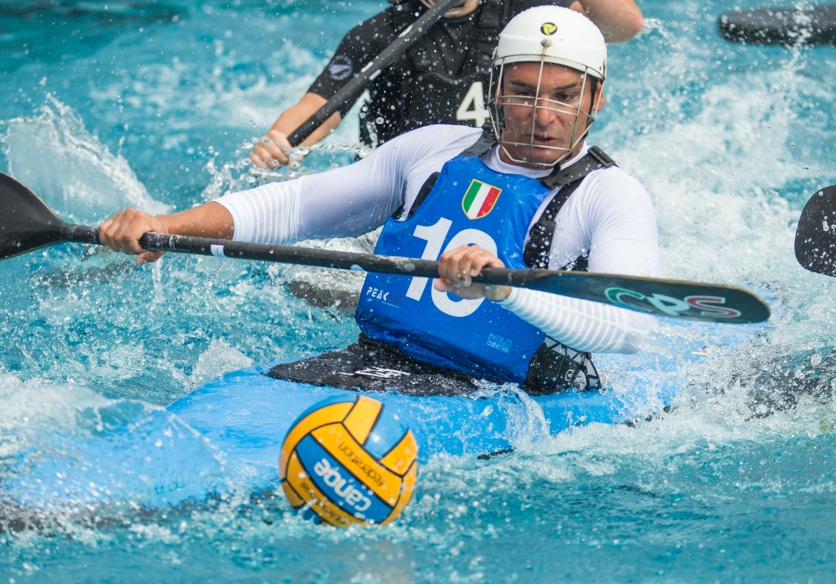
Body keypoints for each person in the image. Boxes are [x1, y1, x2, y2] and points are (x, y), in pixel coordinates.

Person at [101, 7, 661, 396]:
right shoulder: (431, 149)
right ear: (494, 90)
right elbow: (293, 206)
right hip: (376, 361)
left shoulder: (611, 195)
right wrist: (166, 224)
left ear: (597, 98)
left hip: (505, 392)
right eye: (523, 93)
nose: (544, 117)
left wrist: (503, 288)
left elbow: (627, 329)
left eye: (565, 97)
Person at [250, 0, 644, 169]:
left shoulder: (527, 14)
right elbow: (318, 106)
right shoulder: (378, 34)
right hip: (402, 185)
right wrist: (279, 142)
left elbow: (625, 26)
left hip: (500, 173)